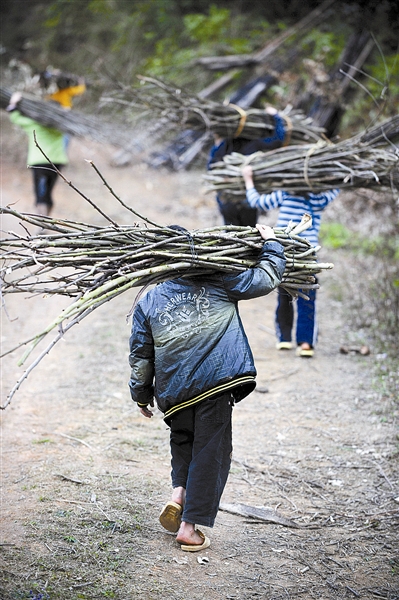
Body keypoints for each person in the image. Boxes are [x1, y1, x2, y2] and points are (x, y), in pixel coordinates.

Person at [128, 223, 286, 551]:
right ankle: (188, 526)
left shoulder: (148, 300)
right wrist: (271, 244)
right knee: (210, 451)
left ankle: (178, 496)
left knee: (183, 442)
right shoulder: (219, 277)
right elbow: (266, 278)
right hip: (215, 384)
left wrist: (141, 395)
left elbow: (141, 356)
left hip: (174, 394)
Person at [242, 165, 340, 357]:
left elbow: (257, 201)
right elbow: (335, 190)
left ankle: (284, 338)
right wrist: (340, 178)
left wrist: (248, 180)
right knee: (307, 297)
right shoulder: (318, 197)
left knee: (284, 293)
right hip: (307, 255)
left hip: (284, 251)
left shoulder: (285, 194)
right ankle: (305, 343)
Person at [207, 108, 287, 227]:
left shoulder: (224, 145)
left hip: (227, 198)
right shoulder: (253, 143)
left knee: (230, 235)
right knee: (248, 233)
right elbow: (278, 139)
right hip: (246, 198)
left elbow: (210, 167)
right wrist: (276, 117)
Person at [6, 91, 68, 216]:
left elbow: (15, 117)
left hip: (40, 163)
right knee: (48, 192)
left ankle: (42, 224)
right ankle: (46, 221)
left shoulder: (34, 125)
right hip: (57, 162)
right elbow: (68, 115)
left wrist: (13, 102)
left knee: (41, 194)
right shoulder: (61, 127)